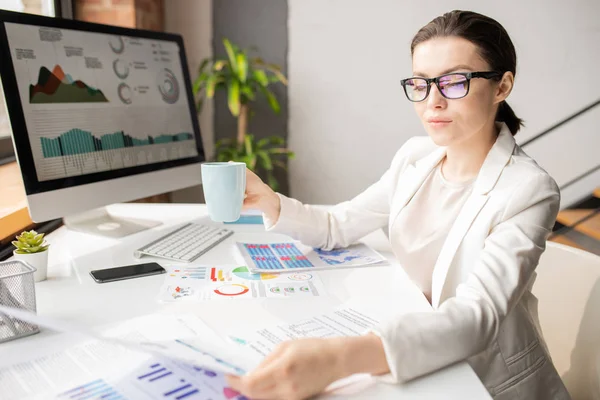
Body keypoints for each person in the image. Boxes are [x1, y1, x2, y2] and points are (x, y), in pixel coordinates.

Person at [227, 10, 571, 400]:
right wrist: (269, 202)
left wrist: (340, 359)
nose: (433, 101)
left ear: (502, 86)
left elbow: (478, 317)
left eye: (455, 81)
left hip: (485, 380)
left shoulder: (529, 189)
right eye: (421, 83)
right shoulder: (414, 158)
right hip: (412, 353)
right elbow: (336, 226)